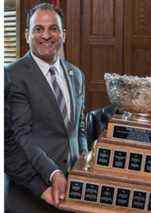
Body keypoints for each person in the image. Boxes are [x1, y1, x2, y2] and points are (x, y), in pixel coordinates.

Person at [6, 3, 88, 212]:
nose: (46, 35)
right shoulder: (12, 76)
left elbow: (79, 127)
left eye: (53, 28)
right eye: (38, 29)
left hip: (72, 193)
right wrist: (53, 173)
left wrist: (84, 162)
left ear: (63, 35)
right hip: (31, 194)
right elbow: (21, 137)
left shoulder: (76, 75)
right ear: (27, 35)